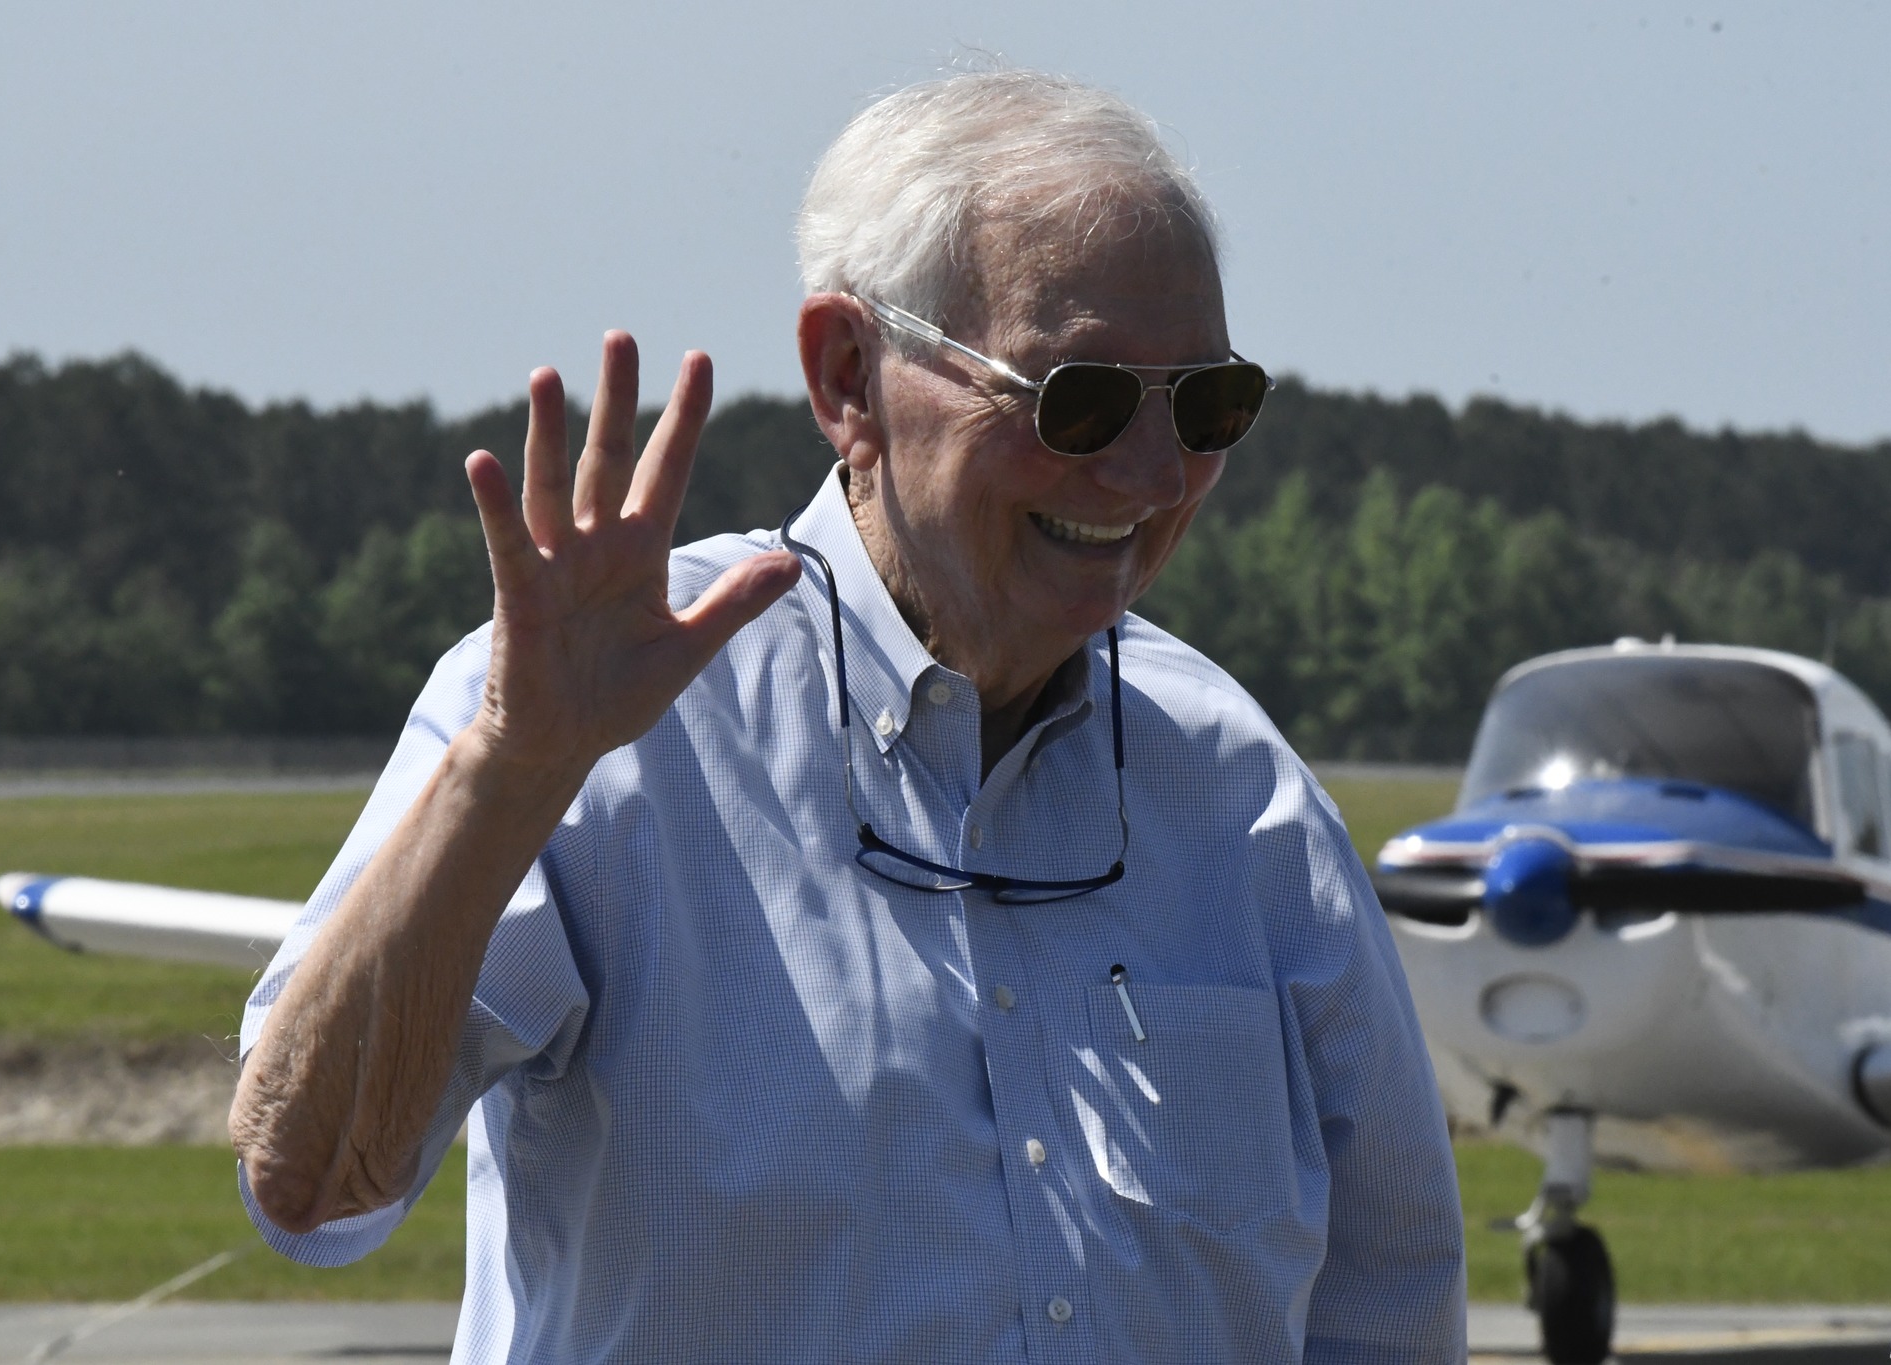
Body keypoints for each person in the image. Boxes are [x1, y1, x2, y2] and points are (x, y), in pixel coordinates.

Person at [231, 69, 1466, 1362]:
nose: (1154, 474)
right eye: (1080, 400)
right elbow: (311, 1184)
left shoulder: (1239, 785)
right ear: (849, 377)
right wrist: (510, 771)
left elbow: (1389, 1299)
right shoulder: (605, 717)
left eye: (1209, 406)